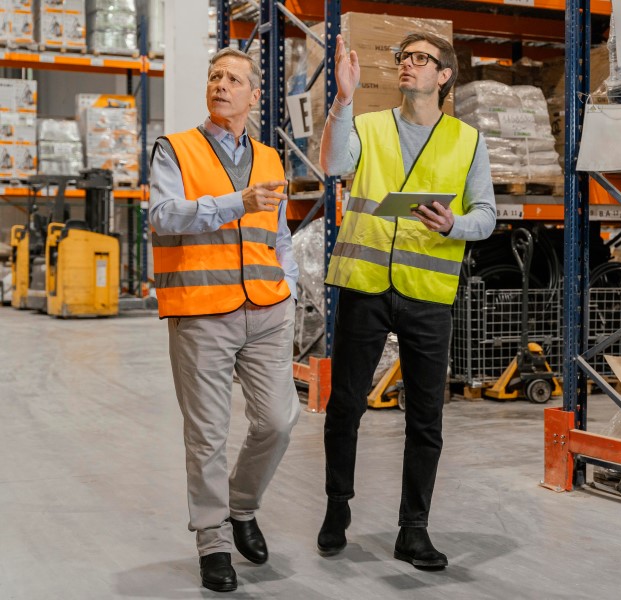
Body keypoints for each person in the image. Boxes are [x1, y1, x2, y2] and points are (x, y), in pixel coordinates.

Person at [317, 32, 496, 569]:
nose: (408, 65)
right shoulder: (368, 127)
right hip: (365, 286)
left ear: (444, 76)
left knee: (425, 420)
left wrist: (455, 223)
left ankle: (413, 530)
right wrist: (343, 100)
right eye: (404, 57)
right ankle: (336, 508)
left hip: (426, 297)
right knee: (346, 405)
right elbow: (331, 165)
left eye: (421, 59)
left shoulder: (468, 141)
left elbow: (486, 215)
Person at [149, 47, 300, 593]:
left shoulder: (270, 158)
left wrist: (289, 284)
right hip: (201, 312)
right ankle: (213, 541)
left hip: (266, 309)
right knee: (207, 435)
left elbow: (278, 234)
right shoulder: (176, 150)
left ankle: (241, 506)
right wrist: (236, 201)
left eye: (234, 79)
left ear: (254, 95)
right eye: (215, 76)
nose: (221, 86)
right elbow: (163, 217)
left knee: (279, 421)